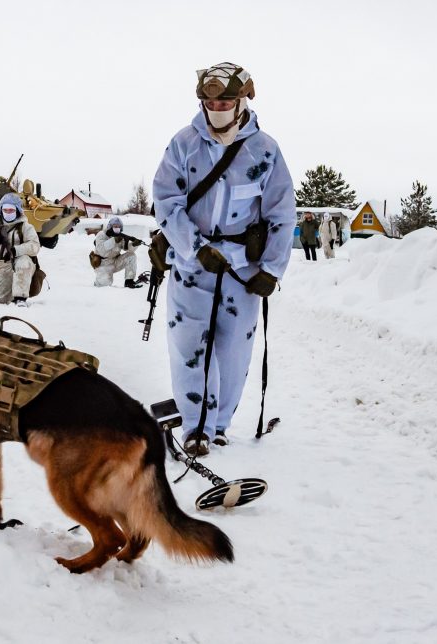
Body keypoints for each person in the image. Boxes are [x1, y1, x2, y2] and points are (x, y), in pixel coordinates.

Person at [152, 61, 295, 456]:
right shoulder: (183, 144)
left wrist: (271, 268)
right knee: (189, 346)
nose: (216, 107)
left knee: (232, 350)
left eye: (226, 99)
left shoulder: (265, 151)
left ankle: (218, 425)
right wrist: (195, 247)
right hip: (191, 265)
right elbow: (165, 201)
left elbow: (282, 212)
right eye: (209, 100)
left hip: (240, 271)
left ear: (243, 99)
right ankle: (196, 426)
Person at [0, 193, 39, 307]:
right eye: (5, 210)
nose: (8, 213)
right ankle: (12, 293)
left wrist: (17, 250)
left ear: (17, 210)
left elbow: (35, 246)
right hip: (3, 264)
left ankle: (20, 298)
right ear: (1, 210)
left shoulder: (26, 227)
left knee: (23, 262)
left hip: (21, 263)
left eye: (11, 210)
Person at [92, 216, 142, 288]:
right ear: (110, 226)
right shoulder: (101, 235)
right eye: (115, 226)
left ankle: (129, 281)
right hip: (103, 265)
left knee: (131, 256)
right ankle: (98, 283)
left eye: (118, 226)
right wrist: (114, 240)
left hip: (115, 262)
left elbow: (127, 248)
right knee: (103, 287)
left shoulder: (119, 236)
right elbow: (101, 250)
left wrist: (134, 244)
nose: (117, 228)